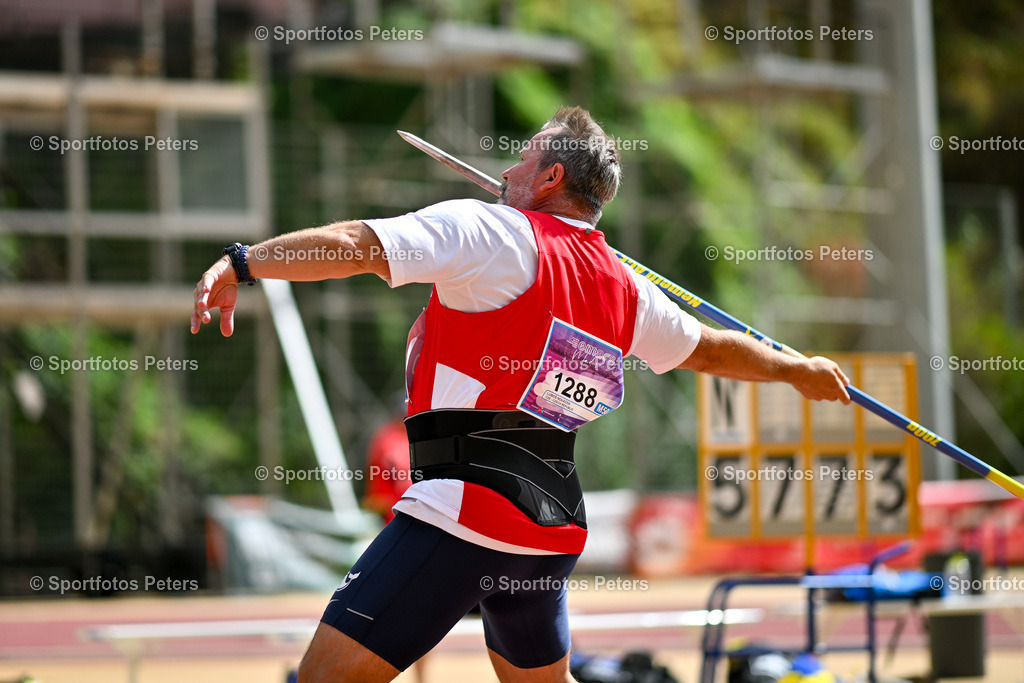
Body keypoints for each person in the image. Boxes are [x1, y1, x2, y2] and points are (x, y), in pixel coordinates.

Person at [191, 106, 850, 683]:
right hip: (547, 524)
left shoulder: (490, 233)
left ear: (551, 178)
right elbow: (709, 349)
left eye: (522, 158)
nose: (506, 172)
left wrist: (244, 262)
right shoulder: (626, 289)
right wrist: (795, 368)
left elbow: (359, 245)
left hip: (461, 510)